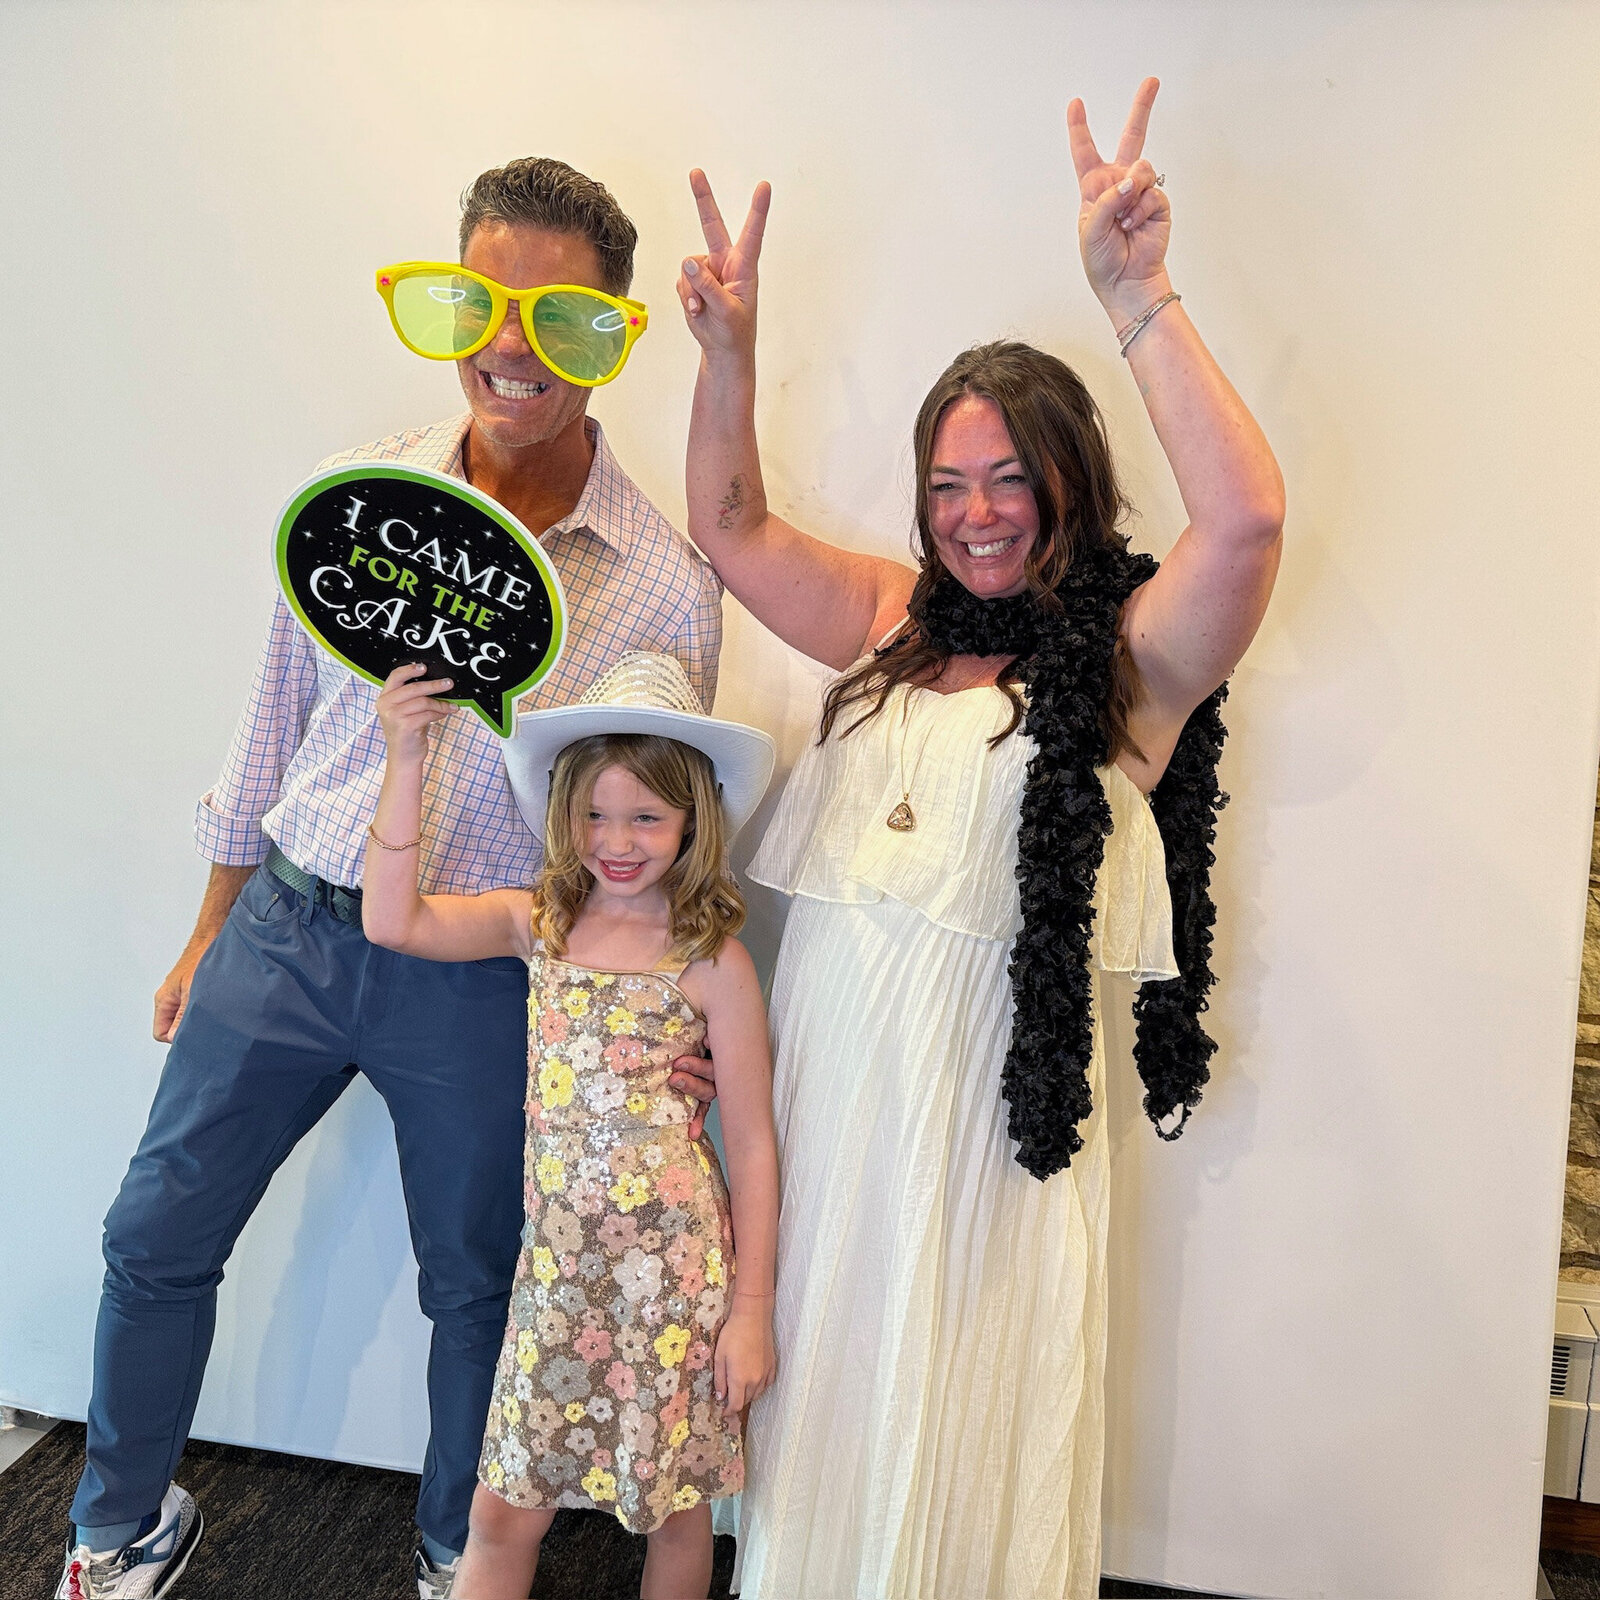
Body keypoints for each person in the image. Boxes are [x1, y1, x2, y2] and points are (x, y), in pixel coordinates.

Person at [59, 159, 723, 1600]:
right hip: (291, 926)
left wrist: (679, 1035)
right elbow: (272, 724)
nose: (512, 345)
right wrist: (207, 935)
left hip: (488, 972)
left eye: (556, 316)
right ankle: (113, 1532)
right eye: (485, 302)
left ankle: (452, 1556)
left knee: (479, 1285)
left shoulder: (665, 584)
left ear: (606, 332)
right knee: (155, 1231)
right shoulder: (365, 503)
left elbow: (663, 830)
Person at [675, 79, 1284, 1598]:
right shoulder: (889, 617)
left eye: (1011, 478)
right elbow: (734, 527)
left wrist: (1137, 294)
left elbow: (1251, 526)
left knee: (958, 1419)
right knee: (822, 1403)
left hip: (980, 1142)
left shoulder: (1129, 663)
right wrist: (729, 354)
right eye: (950, 484)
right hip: (831, 1099)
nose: (979, 515)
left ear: (1069, 480)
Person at [360, 652, 780, 1600]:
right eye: (595, 813)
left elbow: (750, 1143)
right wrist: (407, 754)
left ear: (691, 819)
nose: (617, 840)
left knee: (674, 1511)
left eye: (645, 817)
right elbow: (392, 922)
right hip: (554, 1278)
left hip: (672, 1286)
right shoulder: (538, 924)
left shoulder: (715, 960)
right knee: (502, 1509)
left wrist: (751, 1313)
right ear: (564, 810)